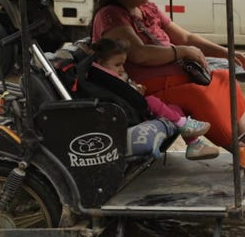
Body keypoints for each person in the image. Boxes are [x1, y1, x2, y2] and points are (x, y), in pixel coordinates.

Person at [90, 0, 245, 154]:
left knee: (225, 79)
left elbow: (186, 37)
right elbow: (140, 54)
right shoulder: (110, 15)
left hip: (179, 80)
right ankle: (240, 151)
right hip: (146, 90)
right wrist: (182, 52)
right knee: (199, 95)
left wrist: (225, 52)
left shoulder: (148, 9)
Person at [90, 37, 220, 160]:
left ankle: (194, 143)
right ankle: (184, 125)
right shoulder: (105, 78)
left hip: (132, 107)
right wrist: (135, 92)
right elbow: (128, 97)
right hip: (131, 114)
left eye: (123, 64)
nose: (121, 69)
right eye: (117, 65)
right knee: (152, 101)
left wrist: (135, 88)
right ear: (101, 63)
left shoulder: (110, 75)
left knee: (175, 108)